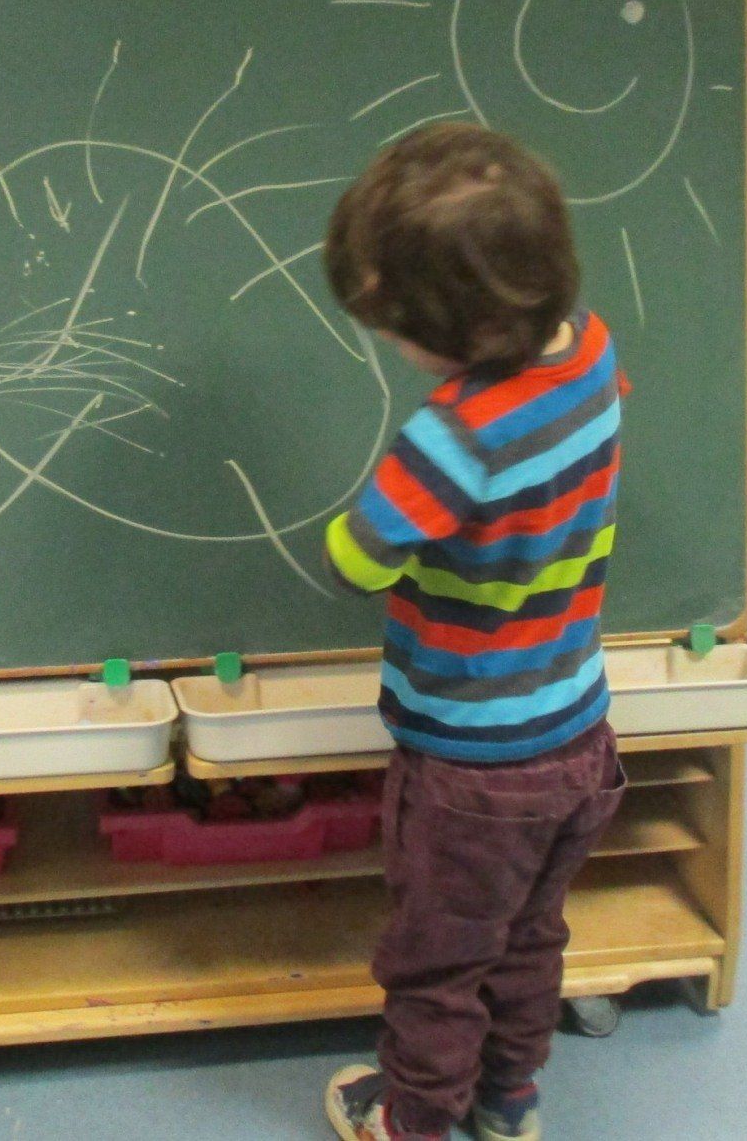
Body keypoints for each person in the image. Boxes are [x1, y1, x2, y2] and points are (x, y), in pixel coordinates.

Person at [319, 123, 628, 1141]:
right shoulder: (588, 347)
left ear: (446, 327)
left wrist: (360, 523)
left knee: (436, 964)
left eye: (396, 324)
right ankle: (508, 1103)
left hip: (470, 761)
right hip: (576, 732)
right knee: (529, 935)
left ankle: (414, 1122)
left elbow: (358, 556)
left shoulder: (451, 441)